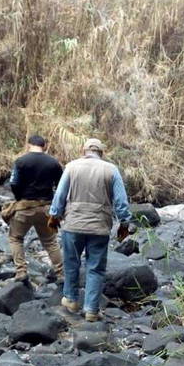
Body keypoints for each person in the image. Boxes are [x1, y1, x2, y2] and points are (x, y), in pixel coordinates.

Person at [48, 138, 132, 322]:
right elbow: (120, 201)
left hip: (73, 224)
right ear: (101, 152)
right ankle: (92, 310)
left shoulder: (72, 166)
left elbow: (60, 195)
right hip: (100, 226)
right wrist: (124, 223)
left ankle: (70, 299)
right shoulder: (111, 170)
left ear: (83, 150)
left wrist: (54, 216)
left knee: (71, 263)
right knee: (95, 268)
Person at [6, 134, 64, 283]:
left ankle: (21, 271)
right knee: (51, 242)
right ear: (43, 146)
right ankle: (61, 273)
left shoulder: (21, 161)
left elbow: (13, 183)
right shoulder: (53, 163)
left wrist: (19, 198)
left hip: (24, 207)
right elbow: (61, 187)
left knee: (16, 238)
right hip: (46, 208)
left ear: (29, 144)